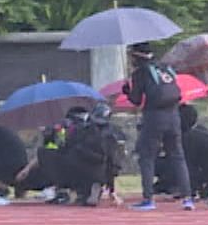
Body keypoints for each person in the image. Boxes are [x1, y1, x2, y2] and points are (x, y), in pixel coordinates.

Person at [124, 43, 194, 211]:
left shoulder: (140, 72)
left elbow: (135, 99)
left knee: (146, 156)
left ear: (136, 56)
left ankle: (148, 199)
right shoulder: (165, 68)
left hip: (154, 117)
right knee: (177, 156)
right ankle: (187, 198)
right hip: (174, 115)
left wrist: (127, 90)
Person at [60, 103, 119, 206]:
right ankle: (88, 189)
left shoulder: (82, 129)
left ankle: (81, 191)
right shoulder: (111, 134)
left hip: (81, 168)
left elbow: (68, 147)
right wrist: (111, 189)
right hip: (98, 169)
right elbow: (112, 161)